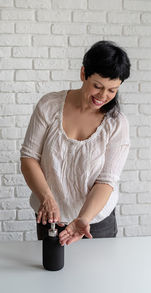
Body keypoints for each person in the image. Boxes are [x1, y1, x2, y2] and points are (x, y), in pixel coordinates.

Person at [20, 40, 131, 246]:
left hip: (95, 222)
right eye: (97, 86)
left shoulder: (117, 124)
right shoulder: (49, 106)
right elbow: (29, 158)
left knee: (97, 277)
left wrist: (84, 218)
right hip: (50, 216)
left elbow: (106, 181)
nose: (103, 96)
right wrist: (47, 198)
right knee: (51, 274)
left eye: (112, 90)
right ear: (83, 74)